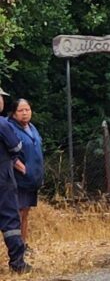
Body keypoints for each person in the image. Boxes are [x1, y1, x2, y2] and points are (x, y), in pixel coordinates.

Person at [0, 87, 30, 274]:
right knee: (11, 221)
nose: (2, 101)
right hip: (2, 178)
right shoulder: (2, 124)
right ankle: (18, 264)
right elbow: (16, 146)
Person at [8, 99, 44, 250]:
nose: (24, 113)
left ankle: (23, 244)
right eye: (21, 110)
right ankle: (17, 248)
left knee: (26, 212)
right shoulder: (10, 128)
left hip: (32, 179)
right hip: (19, 179)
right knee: (19, 212)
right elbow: (8, 152)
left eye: (27, 110)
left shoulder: (32, 127)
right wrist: (22, 168)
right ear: (14, 113)